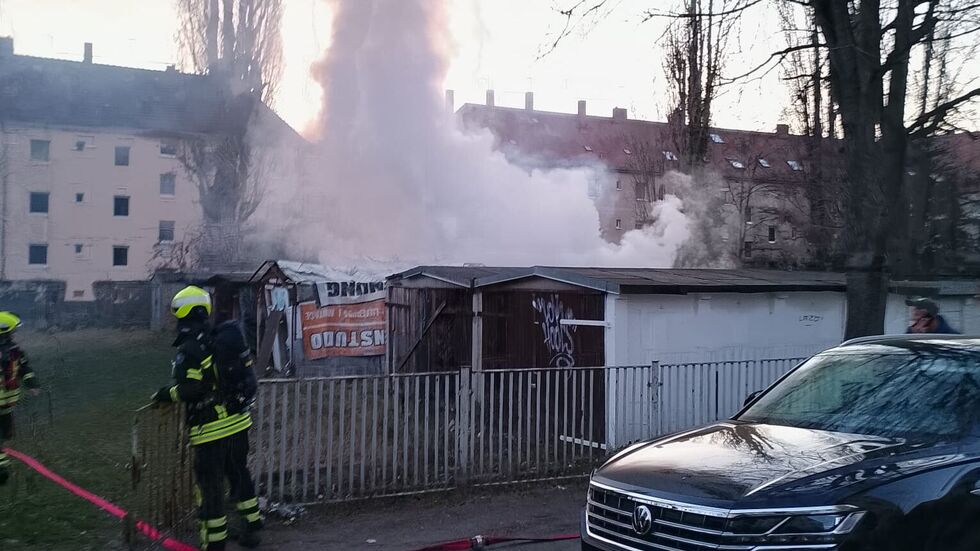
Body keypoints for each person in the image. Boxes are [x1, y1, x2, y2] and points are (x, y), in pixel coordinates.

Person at [152, 286, 262, 550]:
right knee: (239, 474)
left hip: (210, 430)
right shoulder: (222, 338)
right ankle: (252, 527)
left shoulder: (190, 347)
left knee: (210, 487)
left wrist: (165, 394)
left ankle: (214, 542)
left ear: (183, 313)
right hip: (238, 422)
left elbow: (192, 389)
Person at [0, 311, 40, 485]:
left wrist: (32, 384)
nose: (14, 335)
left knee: (6, 433)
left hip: (7, 403)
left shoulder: (15, 352)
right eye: (12, 332)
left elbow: (24, 368)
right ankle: (1, 470)